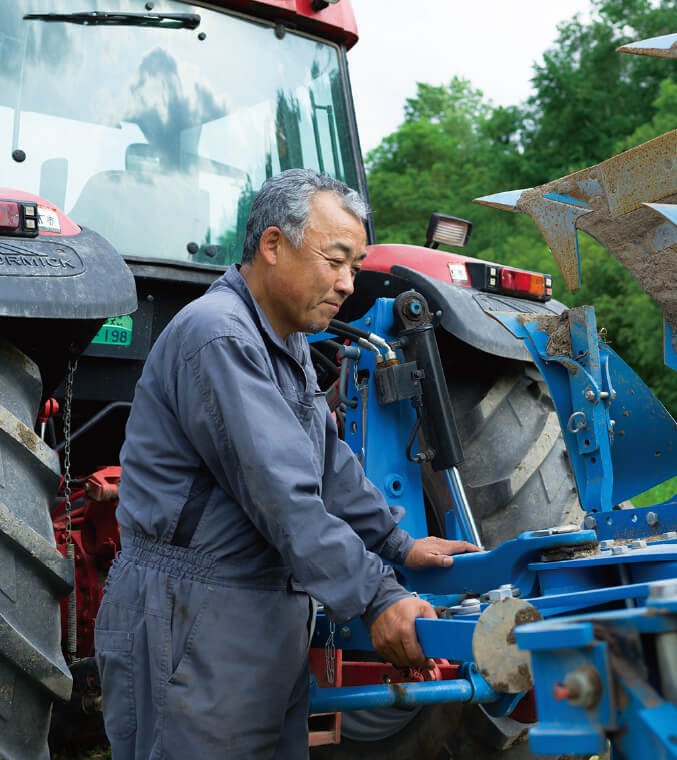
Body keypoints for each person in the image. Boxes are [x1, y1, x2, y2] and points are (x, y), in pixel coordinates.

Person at [94, 169, 478, 759]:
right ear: (273, 246)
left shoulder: (287, 338)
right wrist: (379, 597)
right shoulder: (218, 336)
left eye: (355, 266)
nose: (349, 283)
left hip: (261, 612)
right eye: (338, 261)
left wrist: (398, 545)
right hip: (192, 615)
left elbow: (327, 464)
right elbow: (284, 496)